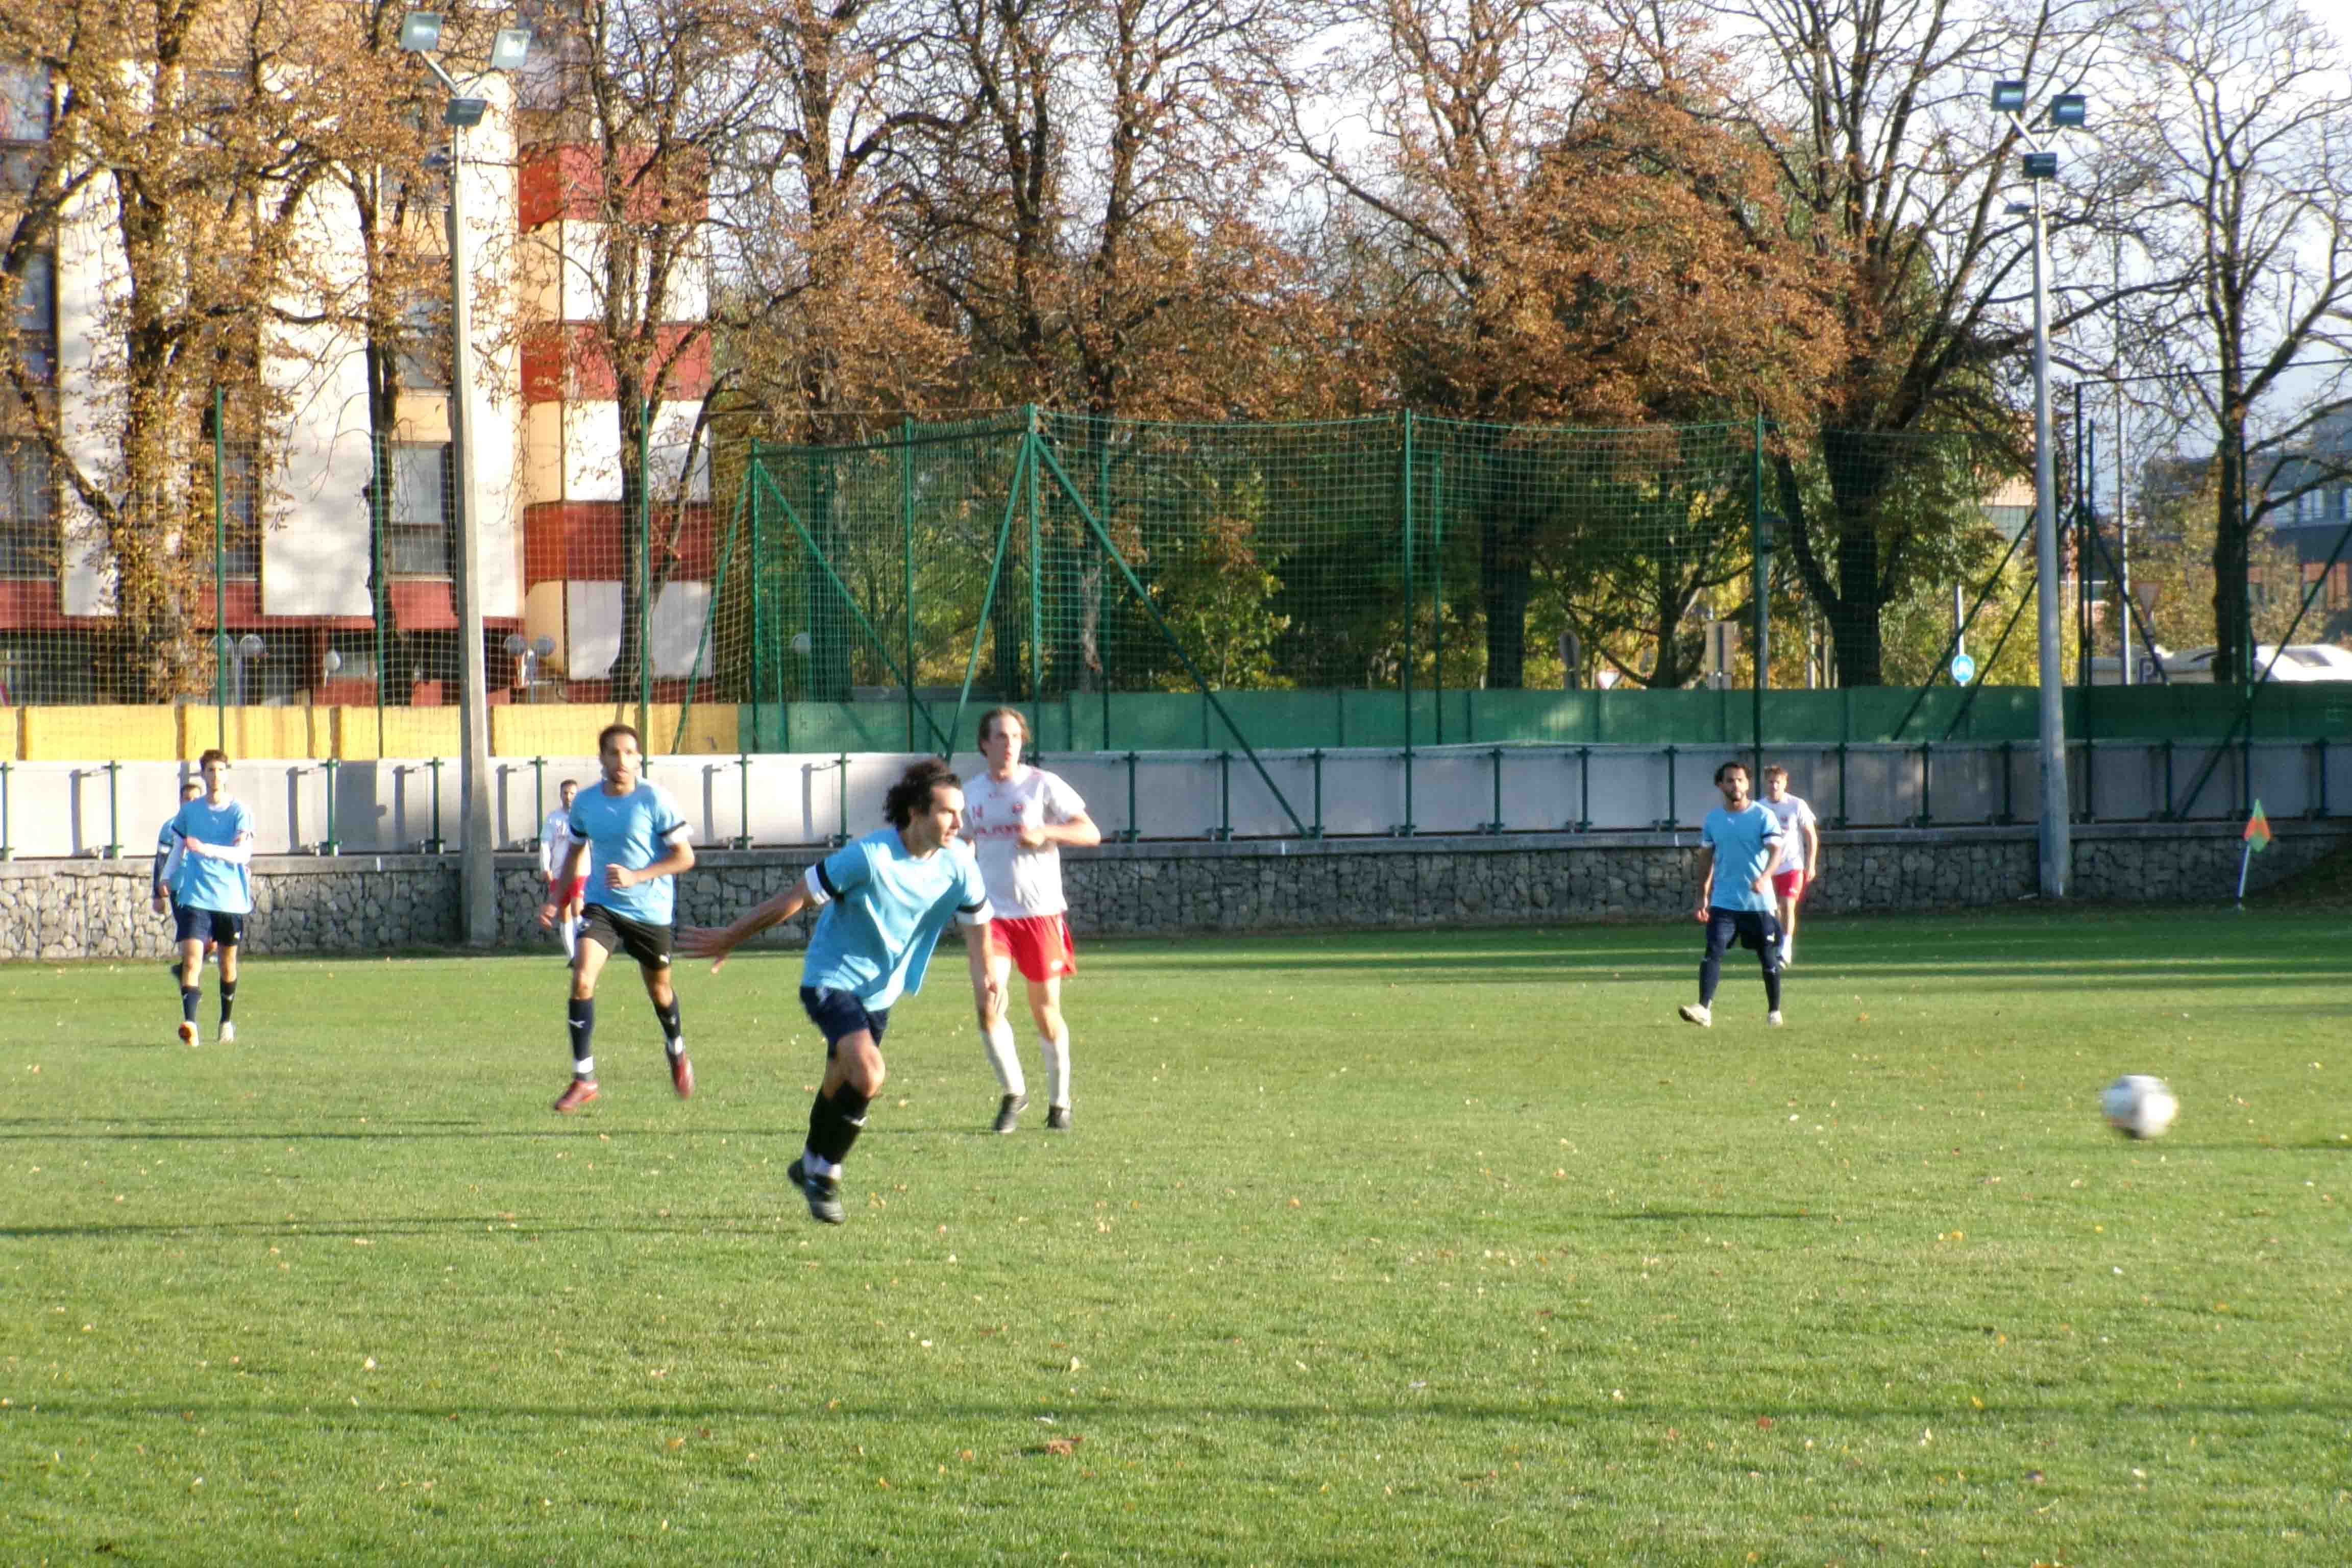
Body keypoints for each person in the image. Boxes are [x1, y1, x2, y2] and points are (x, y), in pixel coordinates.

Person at [679, 758, 999, 1226]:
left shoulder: (959, 866)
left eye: (961, 812)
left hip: (880, 993)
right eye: (948, 812)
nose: (958, 822)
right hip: (830, 979)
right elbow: (794, 899)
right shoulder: (869, 857)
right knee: (869, 1074)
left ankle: (808, 1162)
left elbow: (978, 922)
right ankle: (826, 1175)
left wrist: (987, 975)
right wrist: (732, 935)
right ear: (916, 812)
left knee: (840, 1081)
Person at [538, 724, 697, 1112]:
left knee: (660, 992)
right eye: (614, 752)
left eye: (629, 752)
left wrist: (637, 876)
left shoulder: (655, 799)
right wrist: (556, 900)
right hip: (602, 906)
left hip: (650, 911)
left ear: (639, 758)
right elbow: (575, 853)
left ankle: (676, 1049)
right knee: (582, 979)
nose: (622, 760)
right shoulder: (586, 803)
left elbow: (685, 858)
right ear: (602, 759)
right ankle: (584, 1078)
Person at [961, 706, 1100, 1133]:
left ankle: (1060, 1104)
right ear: (984, 743)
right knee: (988, 1004)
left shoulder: (1043, 785)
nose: (1009, 745)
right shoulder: (970, 793)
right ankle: (1014, 1093)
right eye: (1000, 737)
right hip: (991, 917)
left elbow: (1090, 832)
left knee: (1045, 1012)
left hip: (1040, 915)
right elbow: (962, 844)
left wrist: (1047, 832)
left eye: (1016, 737)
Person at [153, 750, 254, 1046]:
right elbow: (178, 849)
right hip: (196, 895)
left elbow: (243, 854)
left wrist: (207, 849)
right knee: (191, 959)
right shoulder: (189, 813)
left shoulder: (240, 812)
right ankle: (191, 1024)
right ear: (203, 774)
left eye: (220, 770)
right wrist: (165, 878)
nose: (216, 776)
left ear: (227, 774)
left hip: (230, 899)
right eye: (210, 770)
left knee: (227, 963)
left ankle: (225, 1021)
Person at [1679, 758, 1786, 1030]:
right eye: (1730, 781)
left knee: (1768, 958)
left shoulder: (1763, 816)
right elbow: (1706, 858)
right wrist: (1703, 894)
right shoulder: (1714, 820)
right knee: (1713, 950)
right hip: (1724, 903)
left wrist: (1765, 877)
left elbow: (1776, 851)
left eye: (1740, 780)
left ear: (1748, 784)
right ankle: (1704, 1008)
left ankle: (1774, 1011)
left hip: (1759, 904)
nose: (1735, 785)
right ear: (1720, 785)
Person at [1758, 765, 1820, 968]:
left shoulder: (1796, 805)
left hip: (1792, 865)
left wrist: (1811, 863)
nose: (1774, 786)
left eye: (1778, 782)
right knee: (1772, 909)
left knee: (1787, 904)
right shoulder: (1759, 808)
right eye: (1771, 782)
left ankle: (1786, 946)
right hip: (1768, 868)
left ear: (1785, 783)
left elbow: (1811, 835)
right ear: (1766, 783)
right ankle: (1780, 938)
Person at [153, 777, 212, 977]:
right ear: (181, 801)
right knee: (192, 935)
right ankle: (189, 976)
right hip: (180, 889)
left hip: (205, 887)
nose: (191, 803)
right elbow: (161, 859)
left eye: (195, 799)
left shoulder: (209, 824)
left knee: (212, 941)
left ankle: (184, 969)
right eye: (187, 799)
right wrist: (158, 894)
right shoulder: (170, 827)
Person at [538, 779, 586, 962]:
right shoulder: (553, 818)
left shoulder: (583, 817)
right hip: (559, 873)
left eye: (572, 793)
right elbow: (545, 844)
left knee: (577, 910)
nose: (569, 797)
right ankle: (572, 957)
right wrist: (545, 867)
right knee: (564, 915)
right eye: (565, 793)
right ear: (560, 795)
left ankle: (581, 955)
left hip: (580, 871)